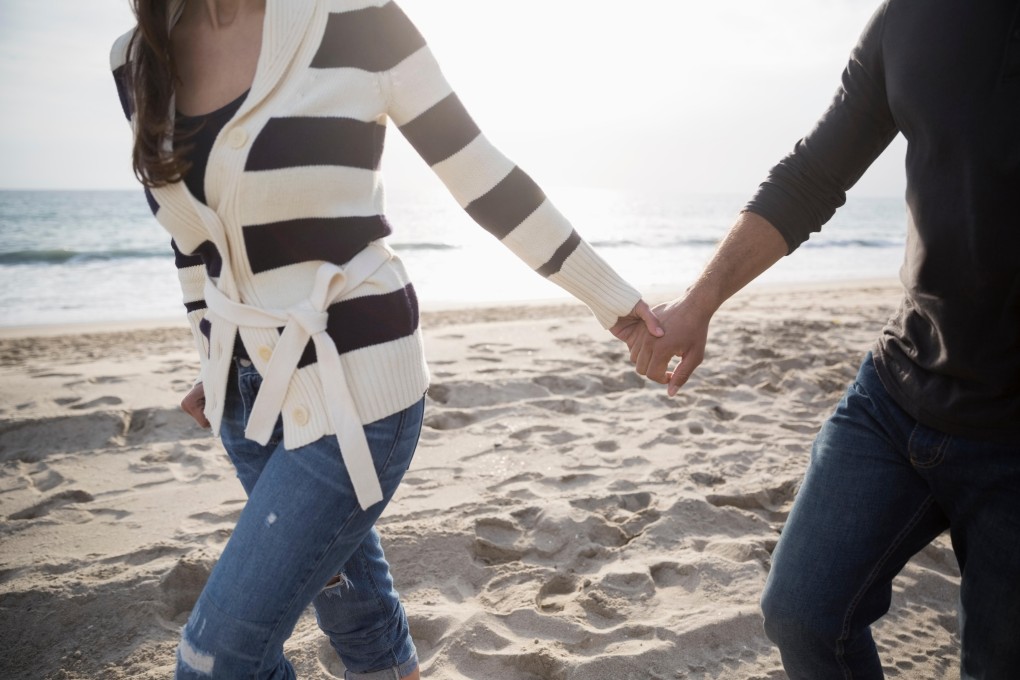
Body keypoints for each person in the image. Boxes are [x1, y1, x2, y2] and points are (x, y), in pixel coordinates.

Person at [110, 1, 661, 678]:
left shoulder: (359, 19)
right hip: (246, 399)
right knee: (358, 615)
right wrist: (212, 355)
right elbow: (194, 242)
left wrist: (614, 301)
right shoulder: (138, 57)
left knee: (215, 662)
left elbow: (480, 174)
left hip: (359, 387)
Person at [625, 1, 1020, 678]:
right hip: (899, 393)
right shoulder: (910, 16)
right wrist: (699, 303)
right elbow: (814, 174)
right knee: (803, 612)